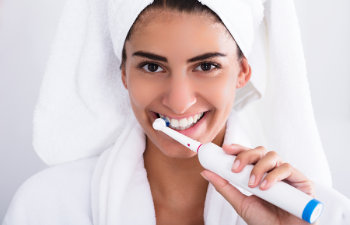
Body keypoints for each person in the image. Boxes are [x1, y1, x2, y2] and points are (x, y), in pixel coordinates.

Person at [3, 0, 350, 225]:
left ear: (243, 72)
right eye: (153, 67)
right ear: (123, 74)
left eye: (207, 66)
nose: (179, 102)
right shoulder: (46, 207)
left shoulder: (319, 213)